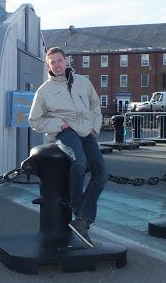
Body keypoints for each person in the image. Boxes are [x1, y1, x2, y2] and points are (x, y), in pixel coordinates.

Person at [28, 47, 107, 248]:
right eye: (52, 62)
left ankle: (81, 219)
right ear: (48, 66)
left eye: (59, 61)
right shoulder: (44, 91)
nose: (57, 65)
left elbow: (95, 105)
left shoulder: (83, 82)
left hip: (87, 130)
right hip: (65, 130)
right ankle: (76, 204)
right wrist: (59, 125)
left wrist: (95, 128)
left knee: (102, 173)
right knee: (79, 162)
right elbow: (34, 120)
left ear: (66, 60)